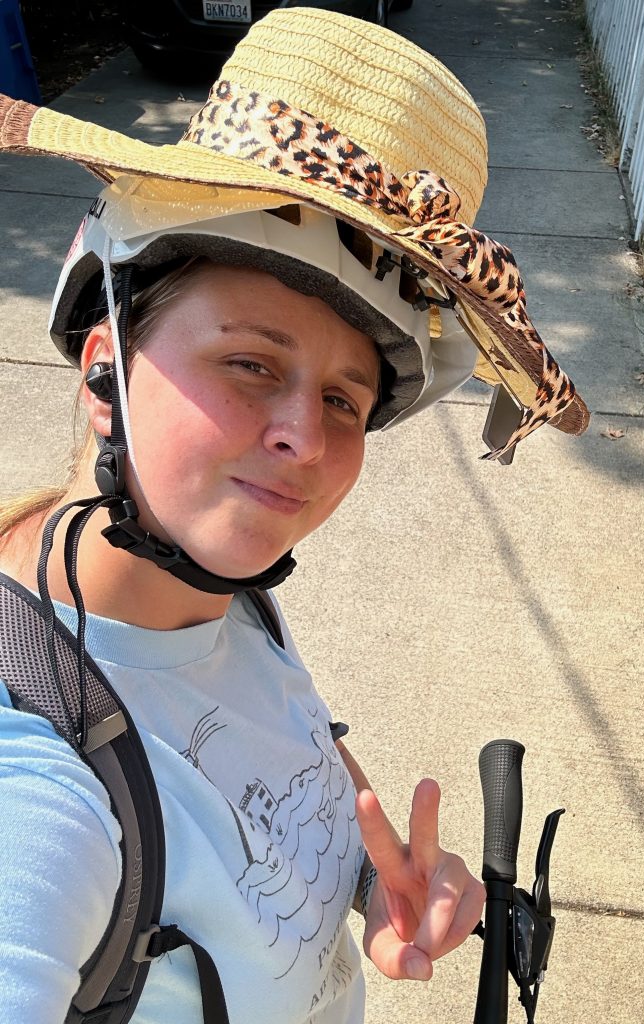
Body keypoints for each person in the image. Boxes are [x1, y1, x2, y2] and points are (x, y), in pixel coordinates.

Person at [0, 8, 588, 1024]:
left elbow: (275, 733)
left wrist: (374, 879)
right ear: (106, 374)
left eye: (342, 400)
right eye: (250, 364)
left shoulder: (223, 597)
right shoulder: (36, 785)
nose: (305, 442)